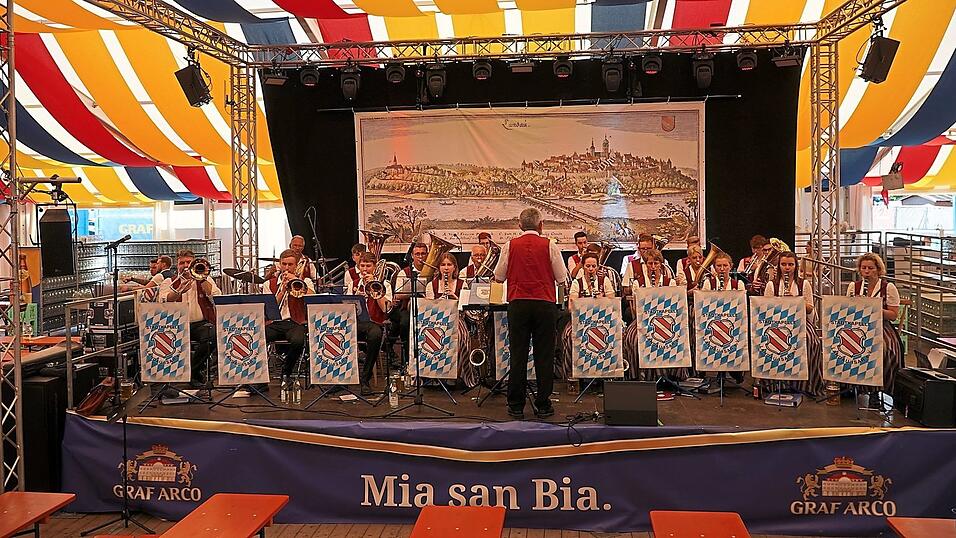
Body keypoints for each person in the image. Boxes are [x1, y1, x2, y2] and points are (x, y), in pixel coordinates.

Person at [494, 208, 568, 419]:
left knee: (518, 354)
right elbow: (561, 277)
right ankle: (543, 404)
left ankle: (515, 404)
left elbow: (498, 276)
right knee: (544, 355)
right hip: (544, 304)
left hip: (518, 303)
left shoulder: (510, 245)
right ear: (540, 225)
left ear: (519, 225)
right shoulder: (550, 245)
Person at [763, 250, 823, 396]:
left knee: (811, 342)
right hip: (778, 323)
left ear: (796, 266)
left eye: (790, 264)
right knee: (772, 342)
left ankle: (805, 384)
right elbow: (765, 309)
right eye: (784, 264)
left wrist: (796, 301)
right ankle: (776, 383)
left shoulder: (804, 284)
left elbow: (810, 308)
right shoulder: (772, 285)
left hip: (800, 322)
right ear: (779, 266)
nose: (787, 268)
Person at [159, 249, 221, 385]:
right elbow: (164, 300)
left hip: (200, 324)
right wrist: (179, 290)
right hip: (175, 325)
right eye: (182, 263)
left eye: (189, 262)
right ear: (177, 264)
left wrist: (203, 279)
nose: (186, 265)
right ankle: (192, 374)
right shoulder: (168, 281)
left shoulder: (206, 279)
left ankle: (192, 371)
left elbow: (217, 297)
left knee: (214, 334)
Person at [622, 249, 682, 383]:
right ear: (646, 265)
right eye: (650, 264)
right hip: (643, 320)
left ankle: (671, 374)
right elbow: (637, 306)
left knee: (676, 335)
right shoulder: (638, 283)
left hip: (665, 320)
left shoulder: (670, 282)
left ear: (661, 264)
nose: (653, 267)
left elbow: (673, 305)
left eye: (656, 263)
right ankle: (639, 374)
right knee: (632, 338)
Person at [847, 252, 903, 395]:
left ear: (878, 270)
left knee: (885, 349)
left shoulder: (888, 287)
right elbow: (847, 311)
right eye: (863, 268)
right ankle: (852, 385)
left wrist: (874, 308)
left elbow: (893, 315)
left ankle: (878, 390)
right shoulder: (854, 286)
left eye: (870, 268)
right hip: (859, 326)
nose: (866, 271)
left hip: (882, 326)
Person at [560, 252, 616, 379]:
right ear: (583, 267)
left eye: (593, 266)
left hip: (603, 321)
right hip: (581, 321)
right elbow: (570, 307)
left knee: (617, 335)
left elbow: (613, 302)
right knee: (568, 336)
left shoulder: (604, 280)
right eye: (588, 266)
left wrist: (601, 299)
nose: (591, 269)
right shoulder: (577, 283)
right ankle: (573, 373)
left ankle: (608, 372)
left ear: (597, 267)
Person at [424, 252, 475, 387]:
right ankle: (435, 374)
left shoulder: (462, 284)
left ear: (454, 268)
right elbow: (428, 309)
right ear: (439, 268)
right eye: (443, 265)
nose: (446, 268)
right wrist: (440, 302)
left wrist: (454, 298)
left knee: (460, 336)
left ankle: (455, 374)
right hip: (436, 321)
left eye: (449, 265)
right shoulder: (432, 285)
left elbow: (465, 307)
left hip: (457, 318)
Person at [265, 249, 315, 381]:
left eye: (290, 264)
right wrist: (282, 290)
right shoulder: (269, 284)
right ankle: (260, 379)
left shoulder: (306, 281)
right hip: (275, 323)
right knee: (257, 338)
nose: (287, 268)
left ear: (296, 265)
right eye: (284, 264)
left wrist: (298, 281)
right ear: (280, 264)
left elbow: (314, 298)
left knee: (298, 341)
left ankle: (286, 371)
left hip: (296, 322)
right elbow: (269, 308)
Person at [348, 252, 390, 394]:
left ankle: (365, 379)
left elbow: (385, 308)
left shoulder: (384, 284)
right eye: (362, 266)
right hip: (356, 323)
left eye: (368, 266)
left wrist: (374, 288)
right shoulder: (353, 284)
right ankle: (340, 378)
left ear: (375, 267)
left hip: (375, 323)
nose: (365, 269)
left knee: (375, 334)